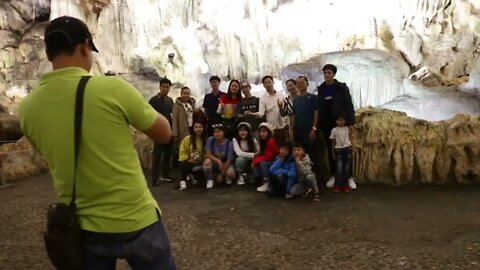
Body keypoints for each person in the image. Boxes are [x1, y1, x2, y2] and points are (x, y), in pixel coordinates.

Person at [18, 16, 176, 269]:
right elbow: (164, 134)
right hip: (137, 218)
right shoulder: (112, 88)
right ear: (85, 47)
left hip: (83, 226)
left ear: (48, 54)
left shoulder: (27, 109)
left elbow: (47, 152)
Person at [316, 64, 356, 190]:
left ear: (333, 74)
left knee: (345, 149)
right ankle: (334, 175)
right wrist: (319, 126)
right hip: (327, 124)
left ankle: (349, 177)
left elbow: (348, 104)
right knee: (331, 150)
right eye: (325, 73)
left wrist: (350, 122)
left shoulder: (341, 87)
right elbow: (320, 107)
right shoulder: (321, 88)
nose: (326, 75)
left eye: (329, 72)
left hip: (340, 123)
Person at [149, 77, 174, 185]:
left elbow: (172, 115)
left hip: (168, 130)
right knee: (157, 154)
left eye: (167, 87)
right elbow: (149, 114)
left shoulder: (170, 101)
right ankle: (154, 178)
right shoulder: (153, 100)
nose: (165, 89)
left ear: (169, 88)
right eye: (163, 87)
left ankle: (166, 175)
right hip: (158, 130)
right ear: (160, 87)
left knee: (168, 153)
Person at [292, 76, 318, 158]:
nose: (300, 85)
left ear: (307, 84)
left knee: (310, 151)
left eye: (302, 82)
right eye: (298, 83)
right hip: (297, 129)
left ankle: (311, 170)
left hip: (308, 128)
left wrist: (314, 128)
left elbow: (316, 113)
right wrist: (292, 129)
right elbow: (294, 114)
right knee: (299, 151)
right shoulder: (295, 99)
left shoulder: (313, 97)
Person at [203, 124, 236, 188]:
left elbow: (229, 160)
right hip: (215, 162)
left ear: (223, 132)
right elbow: (208, 154)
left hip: (225, 163)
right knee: (207, 162)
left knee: (230, 173)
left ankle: (224, 176)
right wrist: (218, 160)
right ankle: (210, 179)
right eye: (215, 132)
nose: (217, 134)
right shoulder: (211, 140)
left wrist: (221, 174)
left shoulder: (229, 143)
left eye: (219, 131)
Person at [258, 75, 288, 146]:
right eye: (266, 83)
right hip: (271, 127)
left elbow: (285, 111)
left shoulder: (280, 95)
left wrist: (281, 108)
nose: (268, 84)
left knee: (283, 145)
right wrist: (253, 114)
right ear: (264, 85)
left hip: (282, 125)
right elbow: (261, 113)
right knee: (273, 146)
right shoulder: (263, 98)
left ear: (273, 82)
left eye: (269, 82)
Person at [178, 120, 207, 190]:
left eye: (200, 127)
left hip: (200, 163)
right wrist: (188, 159)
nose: (198, 129)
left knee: (201, 182)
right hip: (189, 162)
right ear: (193, 128)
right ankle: (183, 181)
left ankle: (192, 175)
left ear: (203, 128)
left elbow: (207, 154)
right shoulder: (187, 139)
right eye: (196, 127)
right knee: (184, 164)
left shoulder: (206, 140)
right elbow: (182, 152)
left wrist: (203, 160)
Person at [253, 122, 279, 192]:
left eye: (264, 131)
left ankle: (267, 182)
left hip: (276, 161)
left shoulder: (271, 141)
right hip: (271, 161)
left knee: (263, 163)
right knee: (257, 163)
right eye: (261, 132)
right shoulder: (264, 142)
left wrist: (256, 160)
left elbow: (269, 157)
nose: (262, 133)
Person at [330, 115, 353, 193]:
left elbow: (351, 138)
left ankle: (345, 185)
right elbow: (333, 142)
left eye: (342, 120)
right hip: (338, 150)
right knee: (339, 169)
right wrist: (333, 153)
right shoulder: (334, 130)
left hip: (348, 150)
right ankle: (337, 185)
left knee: (346, 169)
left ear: (345, 121)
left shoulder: (348, 129)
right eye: (338, 120)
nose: (339, 122)